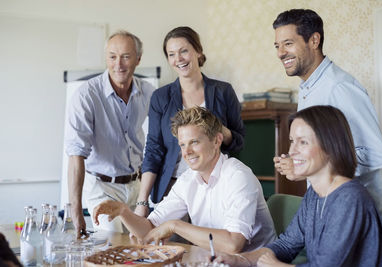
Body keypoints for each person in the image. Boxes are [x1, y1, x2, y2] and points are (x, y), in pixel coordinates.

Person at [213, 105, 382, 266]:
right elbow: (286, 245)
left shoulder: (350, 198)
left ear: (330, 145)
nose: (292, 151)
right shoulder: (315, 194)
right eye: (292, 141)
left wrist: (275, 266)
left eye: (303, 142)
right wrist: (239, 260)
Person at [93, 107, 276, 253]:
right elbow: (149, 230)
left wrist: (174, 226)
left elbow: (233, 244)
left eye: (194, 142)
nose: (186, 152)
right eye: (182, 144)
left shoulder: (238, 177)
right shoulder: (187, 180)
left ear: (217, 140)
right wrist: (124, 212)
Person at [272, 9, 382, 226]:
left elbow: (376, 154)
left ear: (314, 40)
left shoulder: (339, 87)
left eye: (288, 43)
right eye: (277, 46)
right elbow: (326, 148)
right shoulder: (308, 88)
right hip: (331, 208)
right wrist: (299, 161)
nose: (281, 52)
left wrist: (310, 166)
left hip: (356, 212)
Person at [134, 26, 245, 217]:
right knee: (170, 245)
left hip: (215, 185)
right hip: (173, 186)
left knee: (208, 244)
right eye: (171, 54)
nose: (179, 59)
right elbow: (154, 149)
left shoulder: (223, 91)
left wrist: (217, 129)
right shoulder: (161, 97)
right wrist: (143, 201)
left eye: (184, 51)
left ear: (198, 51)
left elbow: (238, 141)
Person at [64, 30, 154, 234]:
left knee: (139, 246)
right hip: (103, 188)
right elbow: (76, 155)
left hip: (137, 186)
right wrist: (76, 213)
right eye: (112, 57)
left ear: (138, 59)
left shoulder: (148, 92)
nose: (118, 64)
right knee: (113, 244)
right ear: (106, 58)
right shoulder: (86, 95)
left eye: (126, 56)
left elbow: (163, 138)